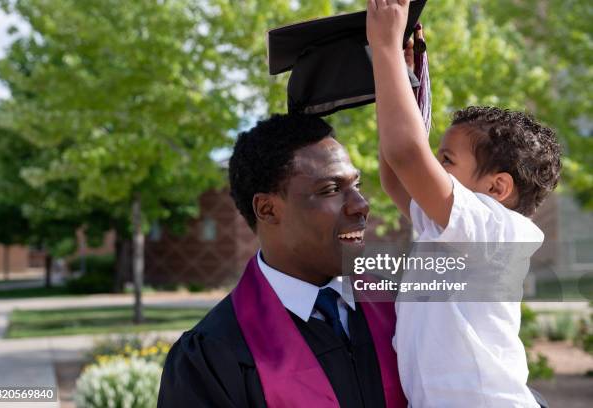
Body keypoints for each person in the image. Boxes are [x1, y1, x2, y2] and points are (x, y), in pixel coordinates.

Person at [366, 1, 561, 407]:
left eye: (446, 161)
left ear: (497, 188)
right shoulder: (451, 230)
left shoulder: (491, 231)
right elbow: (395, 172)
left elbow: (405, 155)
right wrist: (398, 77)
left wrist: (383, 46)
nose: (433, 169)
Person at [158, 113, 407, 407]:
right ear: (267, 209)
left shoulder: (397, 308)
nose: (360, 205)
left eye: (357, 185)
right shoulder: (214, 354)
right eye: (330, 190)